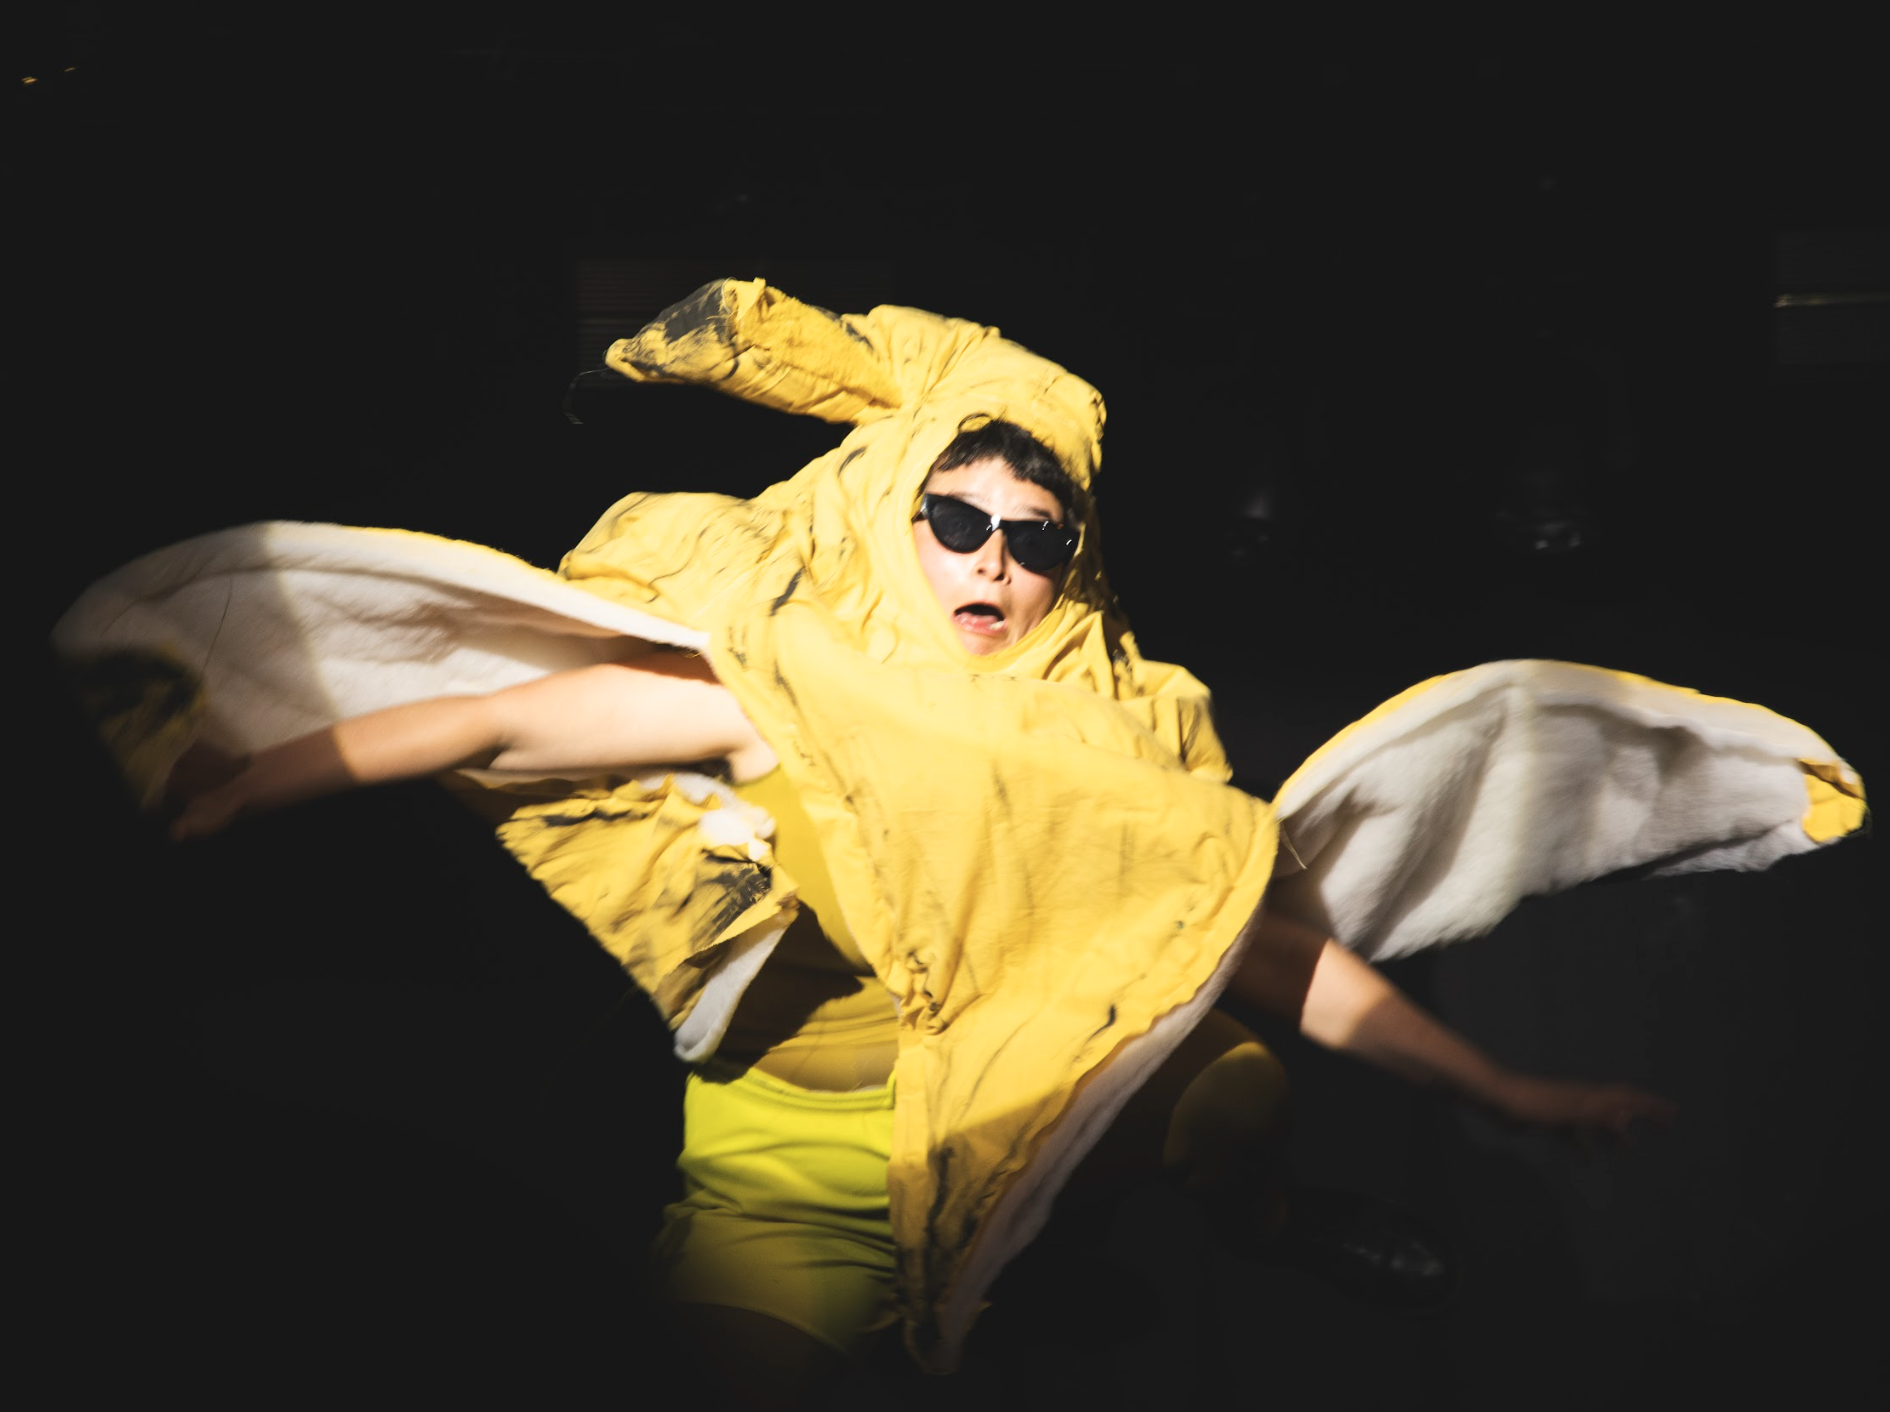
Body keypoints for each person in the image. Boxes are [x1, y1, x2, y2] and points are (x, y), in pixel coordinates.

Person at [64, 279, 1855, 1408]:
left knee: (1232, 1096)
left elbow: (1268, 950)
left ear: (1071, 560)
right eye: (954, 520)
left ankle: (1274, 1214)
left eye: (1032, 534)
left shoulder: (1119, 747)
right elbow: (487, 717)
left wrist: (1509, 1098)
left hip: (1056, 1092)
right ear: (889, 523)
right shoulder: (774, 687)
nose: (993, 559)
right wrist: (241, 781)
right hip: (795, 1171)